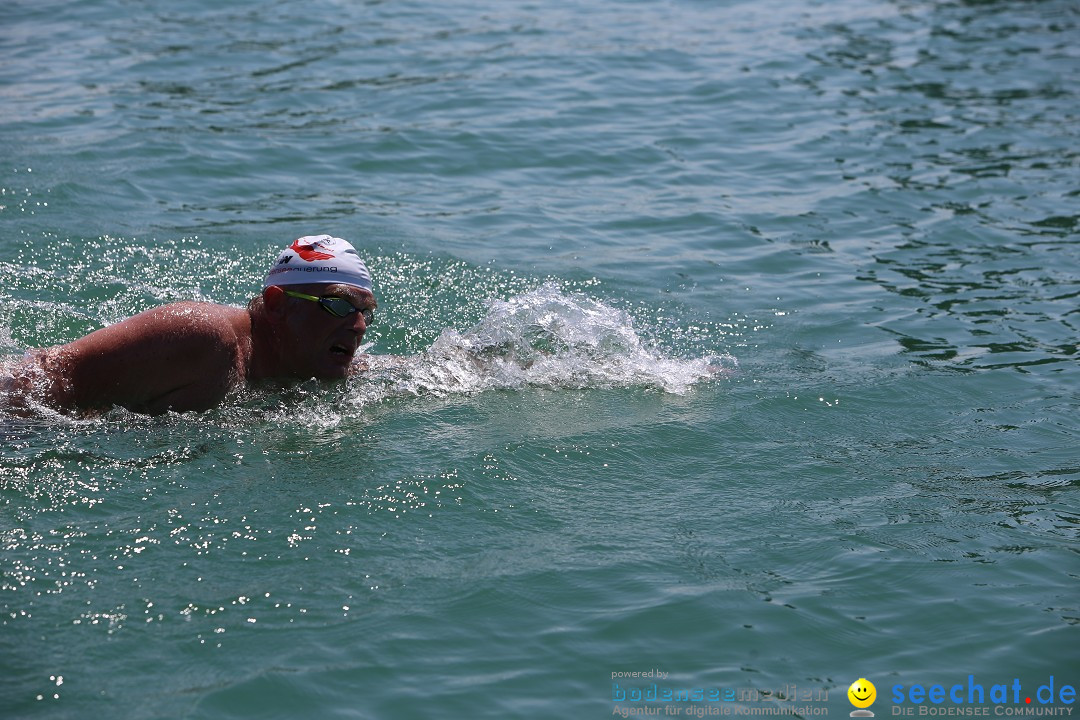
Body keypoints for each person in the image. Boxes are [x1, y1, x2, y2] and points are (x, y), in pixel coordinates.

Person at [1, 235, 378, 415]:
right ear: (276, 304)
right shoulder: (205, 338)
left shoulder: (309, 366)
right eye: (337, 304)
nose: (358, 325)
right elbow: (46, 373)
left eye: (366, 311)